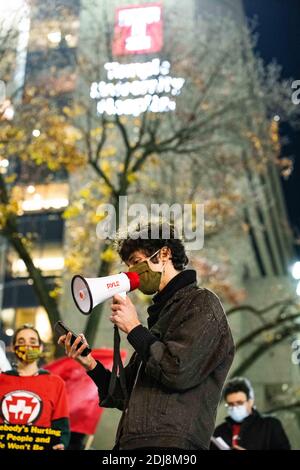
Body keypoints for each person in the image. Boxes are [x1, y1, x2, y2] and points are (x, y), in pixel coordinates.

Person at [59, 222, 235, 450]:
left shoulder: (201, 304)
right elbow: (123, 395)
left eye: (135, 262)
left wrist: (134, 328)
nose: (131, 271)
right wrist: (90, 363)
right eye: (128, 265)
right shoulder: (159, 320)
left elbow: (178, 370)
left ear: (164, 254)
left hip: (172, 445)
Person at [0, 323, 70, 450]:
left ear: (41, 347)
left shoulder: (55, 383)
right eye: (21, 341)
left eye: (32, 341)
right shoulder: (1, 380)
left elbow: (61, 425)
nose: (27, 346)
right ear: (13, 347)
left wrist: (61, 443)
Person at [211, 376, 291, 450]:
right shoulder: (219, 431)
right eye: (231, 404)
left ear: (250, 402)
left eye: (239, 403)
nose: (235, 407)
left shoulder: (270, 426)